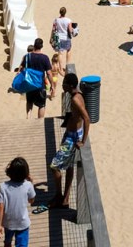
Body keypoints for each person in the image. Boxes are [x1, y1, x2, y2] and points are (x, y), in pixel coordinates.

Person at [49, 73, 90, 209]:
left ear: (70, 85)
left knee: (55, 166)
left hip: (73, 137)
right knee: (70, 166)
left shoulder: (75, 100)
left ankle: (60, 195)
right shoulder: (77, 95)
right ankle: (65, 198)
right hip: (72, 133)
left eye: (64, 83)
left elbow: (86, 118)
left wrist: (82, 141)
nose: (62, 85)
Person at [0, 157, 35, 247]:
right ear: (26, 173)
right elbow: (31, 201)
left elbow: (0, 207)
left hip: (8, 222)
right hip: (23, 222)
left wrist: (0, 225)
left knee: (7, 241)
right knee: (22, 245)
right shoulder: (28, 185)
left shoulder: (3, 186)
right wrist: (31, 182)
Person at [20, 38, 52, 120]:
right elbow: (48, 73)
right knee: (41, 105)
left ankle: (28, 116)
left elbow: (22, 69)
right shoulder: (45, 58)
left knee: (29, 102)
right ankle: (40, 121)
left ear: (34, 45)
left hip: (30, 84)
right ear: (41, 46)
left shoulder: (27, 56)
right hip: (40, 85)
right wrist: (52, 84)